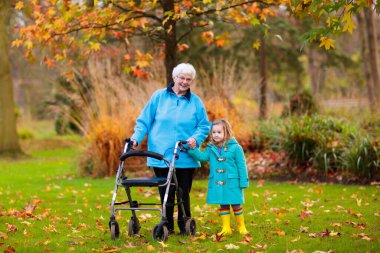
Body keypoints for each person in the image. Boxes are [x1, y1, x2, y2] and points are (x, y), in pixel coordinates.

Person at [130, 63, 210, 235]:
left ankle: (185, 224)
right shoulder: (159, 97)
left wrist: (196, 139)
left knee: (183, 192)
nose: (184, 82)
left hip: (185, 155)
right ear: (174, 78)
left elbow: (204, 126)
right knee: (166, 190)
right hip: (160, 155)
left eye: (188, 79)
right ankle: (167, 225)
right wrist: (135, 139)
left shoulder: (196, 102)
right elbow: (144, 121)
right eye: (182, 78)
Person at [188, 119, 249, 236]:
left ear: (226, 132)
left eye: (219, 132)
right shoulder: (211, 148)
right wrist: (192, 149)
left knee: (236, 203)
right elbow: (202, 156)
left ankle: (241, 226)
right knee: (223, 204)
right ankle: (226, 228)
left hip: (232, 182)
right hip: (218, 182)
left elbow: (241, 166)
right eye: (214, 132)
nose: (216, 134)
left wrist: (243, 182)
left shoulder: (236, 148)